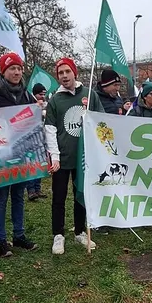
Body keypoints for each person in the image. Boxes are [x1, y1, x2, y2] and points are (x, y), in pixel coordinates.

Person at [0, 52, 38, 257]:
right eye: (12, 68)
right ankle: (1, 240)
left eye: (19, 68)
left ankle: (19, 235)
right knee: (1, 198)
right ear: (3, 71)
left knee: (19, 196)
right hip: (0, 155)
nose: (16, 72)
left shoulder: (26, 94)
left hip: (21, 153)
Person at [44, 57, 99, 254]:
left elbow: (100, 122)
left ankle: (79, 231)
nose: (64, 76)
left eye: (67, 71)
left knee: (80, 195)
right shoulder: (55, 100)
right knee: (59, 197)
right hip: (63, 158)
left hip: (83, 157)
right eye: (60, 73)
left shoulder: (89, 94)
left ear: (74, 72)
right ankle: (58, 235)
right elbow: (50, 129)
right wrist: (55, 157)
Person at [26, 82, 49, 201]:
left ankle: (37, 189)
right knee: (32, 165)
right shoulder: (30, 103)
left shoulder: (42, 104)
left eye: (44, 94)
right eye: (41, 94)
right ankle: (31, 190)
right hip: (31, 139)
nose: (43, 96)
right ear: (35, 94)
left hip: (40, 138)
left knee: (40, 164)